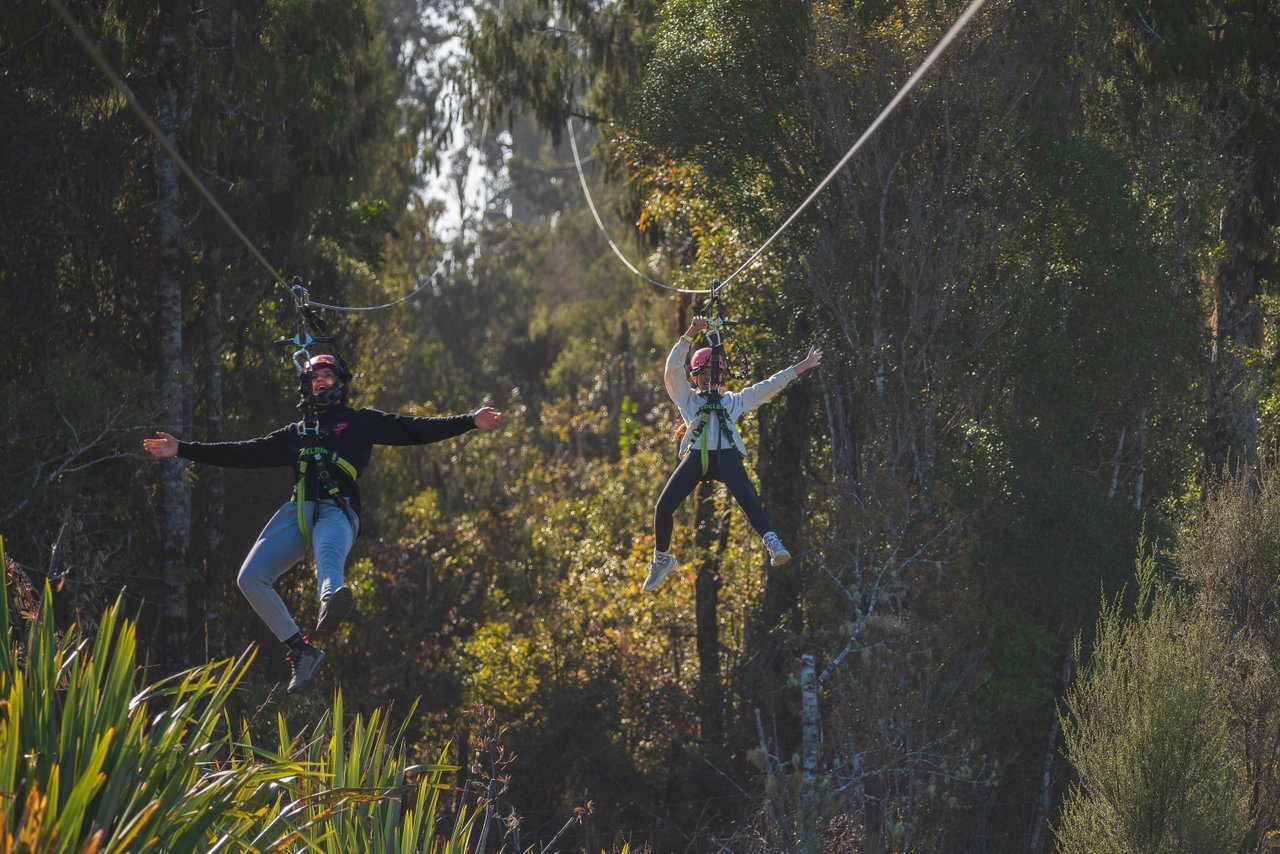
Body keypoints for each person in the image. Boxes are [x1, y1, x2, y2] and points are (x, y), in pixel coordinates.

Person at [143, 354, 502, 692]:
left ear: (341, 383)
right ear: (306, 387)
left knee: (328, 550)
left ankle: (330, 598)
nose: (320, 383)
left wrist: (469, 421)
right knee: (249, 578)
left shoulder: (360, 422)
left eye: (327, 376)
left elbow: (413, 429)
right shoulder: (294, 433)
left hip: (336, 509)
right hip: (298, 510)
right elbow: (243, 451)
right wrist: (183, 449)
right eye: (314, 378)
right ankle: (302, 651)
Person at [644, 316, 822, 592]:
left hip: (726, 456)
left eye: (714, 375)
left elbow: (770, 386)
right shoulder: (687, 399)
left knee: (748, 499)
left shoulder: (733, 402)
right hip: (698, 457)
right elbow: (672, 368)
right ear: (695, 377)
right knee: (663, 507)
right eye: (703, 375)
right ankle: (661, 558)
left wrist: (804, 365)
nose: (709, 380)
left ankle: (772, 541)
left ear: (721, 375)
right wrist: (692, 332)